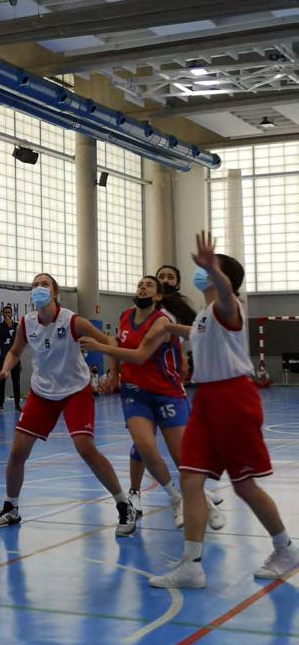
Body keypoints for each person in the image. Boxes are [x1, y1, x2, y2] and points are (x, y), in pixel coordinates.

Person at [149, 232, 299, 588]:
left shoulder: (229, 307)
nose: (201, 272)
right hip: (206, 401)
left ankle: (286, 549)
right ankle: (191, 566)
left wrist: (213, 269)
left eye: (211, 269)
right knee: (190, 479)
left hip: (233, 399)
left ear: (222, 277)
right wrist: (167, 327)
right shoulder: (204, 316)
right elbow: (196, 332)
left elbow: (226, 296)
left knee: (244, 486)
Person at [0, 273, 136, 535]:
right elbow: (15, 351)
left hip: (75, 390)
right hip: (42, 392)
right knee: (17, 452)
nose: (39, 288)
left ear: (55, 293)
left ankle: (124, 504)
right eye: (35, 285)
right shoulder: (27, 323)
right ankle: (11, 507)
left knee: (85, 448)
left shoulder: (72, 321)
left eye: (44, 284)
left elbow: (110, 342)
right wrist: (5, 370)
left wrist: (114, 372)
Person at [82, 275, 223, 532]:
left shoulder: (160, 321)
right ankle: (175, 497)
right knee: (145, 446)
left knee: (182, 457)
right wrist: (113, 372)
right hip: (135, 393)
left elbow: (139, 357)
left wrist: (100, 348)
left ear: (158, 296)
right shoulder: (125, 316)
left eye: (149, 285)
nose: (142, 287)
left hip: (165, 392)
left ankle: (203, 501)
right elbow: (117, 343)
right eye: (140, 284)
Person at [126, 265, 223, 516]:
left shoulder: (177, 310)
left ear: (176, 284)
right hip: (141, 383)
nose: (165, 280)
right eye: (161, 277)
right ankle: (135, 492)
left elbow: (189, 335)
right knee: (142, 444)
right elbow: (128, 344)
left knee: (182, 445)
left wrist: (183, 360)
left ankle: (195, 491)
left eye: (170, 277)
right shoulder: (139, 312)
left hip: (167, 382)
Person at [0, 304, 21, 413]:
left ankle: (17, 404)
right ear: (2, 314)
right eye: (5, 313)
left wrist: (11, 328)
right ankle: (0, 404)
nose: (7, 315)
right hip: (2, 357)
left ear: (12, 314)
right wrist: (9, 335)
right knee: (1, 382)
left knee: (16, 381)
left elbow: (18, 340)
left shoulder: (16, 325)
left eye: (9, 313)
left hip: (14, 358)